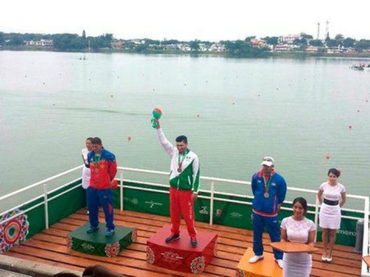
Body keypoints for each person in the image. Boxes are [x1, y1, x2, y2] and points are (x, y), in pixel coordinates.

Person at [154, 119, 200, 247]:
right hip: (173, 189)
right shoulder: (173, 152)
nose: (179, 147)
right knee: (174, 214)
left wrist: (195, 191)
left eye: (182, 145)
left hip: (186, 191)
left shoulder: (193, 157)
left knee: (188, 216)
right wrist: (158, 128)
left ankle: (193, 235)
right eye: (178, 145)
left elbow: (196, 175)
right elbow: (163, 141)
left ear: (186, 144)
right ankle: (175, 233)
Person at [249, 157, 287, 268]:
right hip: (257, 212)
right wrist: (259, 200)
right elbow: (254, 189)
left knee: (275, 236)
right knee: (257, 234)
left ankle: (279, 257)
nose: (265, 168)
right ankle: (258, 254)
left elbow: (281, 196)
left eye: (267, 166)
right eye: (264, 165)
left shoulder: (279, 179)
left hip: (271, 214)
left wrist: (273, 204)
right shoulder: (256, 177)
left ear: (272, 166)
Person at [86, 137, 117, 237]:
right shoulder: (90, 155)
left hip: (104, 188)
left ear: (101, 145)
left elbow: (113, 171)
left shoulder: (109, 156)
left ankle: (110, 228)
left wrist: (106, 180)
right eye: (93, 146)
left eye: (96, 146)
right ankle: (94, 225)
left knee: (107, 208)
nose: (94, 148)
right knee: (92, 207)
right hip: (92, 186)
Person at [281, 197, 315, 277]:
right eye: (295, 207)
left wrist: (310, 248)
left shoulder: (310, 224)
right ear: (292, 207)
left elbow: (311, 242)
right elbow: (283, 239)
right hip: (289, 259)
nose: (297, 210)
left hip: (304, 261)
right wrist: (283, 246)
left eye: (300, 208)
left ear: (304, 210)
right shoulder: (285, 221)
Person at [317, 168, 346, 262]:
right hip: (325, 209)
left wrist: (338, 207)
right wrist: (322, 205)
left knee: (333, 232)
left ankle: (330, 252)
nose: (332, 178)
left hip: (335, 210)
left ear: (337, 177)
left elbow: (344, 199)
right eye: (330, 176)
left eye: (334, 176)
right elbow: (319, 195)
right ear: (328, 176)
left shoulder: (341, 187)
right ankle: (324, 251)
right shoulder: (323, 185)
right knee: (324, 231)